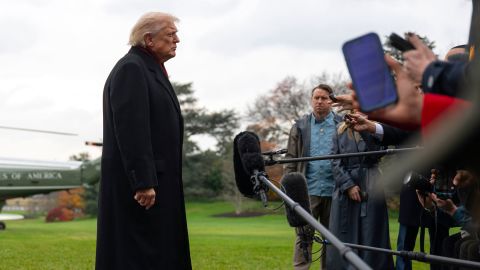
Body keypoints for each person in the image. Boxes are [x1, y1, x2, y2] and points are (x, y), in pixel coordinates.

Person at [96, 12, 191, 270]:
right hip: (142, 191)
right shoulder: (132, 69)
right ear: (149, 39)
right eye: (171, 34)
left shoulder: (149, 69)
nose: (177, 40)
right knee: (138, 256)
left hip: (157, 183)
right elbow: (131, 129)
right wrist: (143, 182)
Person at [284, 84, 342, 270]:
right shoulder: (300, 126)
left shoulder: (341, 125)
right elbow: (291, 159)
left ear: (331, 101)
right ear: (311, 100)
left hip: (335, 191)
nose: (319, 102)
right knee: (303, 236)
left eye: (324, 98)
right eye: (316, 98)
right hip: (307, 191)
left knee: (332, 239)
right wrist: (289, 190)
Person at [326, 112, 394, 270]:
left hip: (371, 182)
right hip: (344, 188)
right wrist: (348, 185)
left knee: (372, 231)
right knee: (343, 232)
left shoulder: (375, 129)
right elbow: (334, 160)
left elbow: (379, 151)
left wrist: (365, 129)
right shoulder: (338, 130)